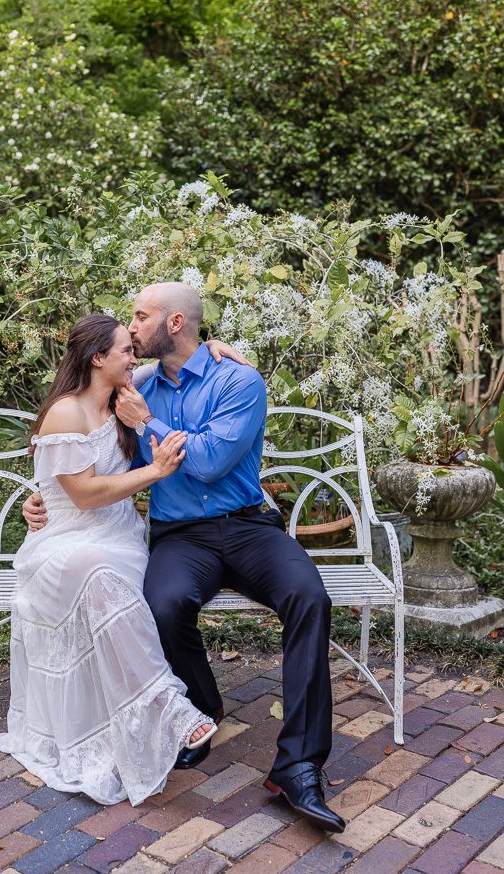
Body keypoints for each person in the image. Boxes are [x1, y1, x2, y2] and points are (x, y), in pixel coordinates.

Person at [24, 283, 345, 833]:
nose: (132, 328)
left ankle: (299, 765)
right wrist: (47, 498)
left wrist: (148, 422)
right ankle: (200, 707)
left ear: (173, 324)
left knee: (308, 596)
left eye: (140, 318)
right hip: (179, 536)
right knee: (162, 604)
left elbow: (211, 462)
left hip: (248, 527)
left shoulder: (237, 379)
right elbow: (77, 434)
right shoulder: (138, 379)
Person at [0, 314, 220, 806]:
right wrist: (156, 472)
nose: (134, 358)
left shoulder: (122, 393)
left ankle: (154, 713)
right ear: (98, 359)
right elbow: (85, 496)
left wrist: (219, 346)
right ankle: (170, 710)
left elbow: (180, 353)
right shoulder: (65, 413)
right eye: (125, 351)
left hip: (120, 540)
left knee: (103, 570)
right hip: (64, 543)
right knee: (93, 569)